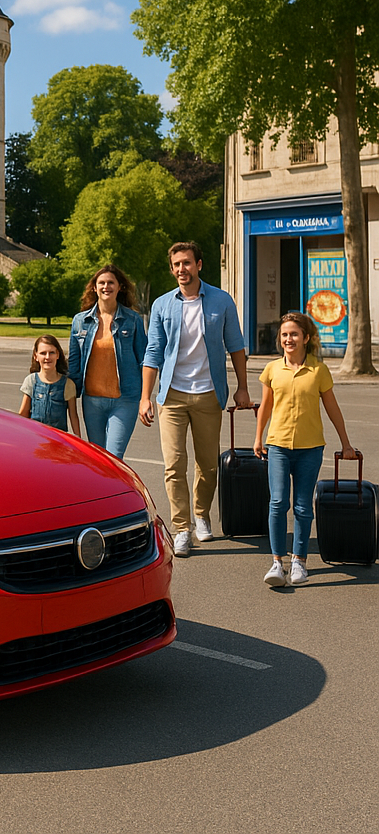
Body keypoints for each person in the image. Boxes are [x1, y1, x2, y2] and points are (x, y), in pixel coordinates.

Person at [139, 241, 250, 557]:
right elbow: (153, 352)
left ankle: (202, 514)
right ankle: (182, 527)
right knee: (174, 464)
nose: (180, 270)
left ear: (199, 265)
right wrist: (146, 397)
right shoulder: (163, 305)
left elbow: (236, 347)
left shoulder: (221, 301)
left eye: (186, 263)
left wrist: (242, 387)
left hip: (208, 394)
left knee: (207, 464)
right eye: (176, 264)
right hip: (171, 396)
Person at [252, 312, 355, 587]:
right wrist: (258, 437)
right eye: (284, 334)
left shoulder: (319, 370)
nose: (289, 339)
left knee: (301, 506)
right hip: (278, 445)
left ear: (306, 338)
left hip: (310, 448)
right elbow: (266, 407)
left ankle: (299, 561)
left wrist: (345, 442)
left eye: (294, 334)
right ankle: (277, 562)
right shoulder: (272, 369)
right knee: (277, 503)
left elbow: (332, 408)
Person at [68, 264, 148, 458]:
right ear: (94, 288)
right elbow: (74, 361)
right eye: (101, 283)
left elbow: (144, 360)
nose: (106, 286)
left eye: (111, 282)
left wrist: (145, 397)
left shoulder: (132, 320)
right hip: (92, 401)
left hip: (125, 400)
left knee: (114, 458)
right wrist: (70, 393)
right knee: (97, 458)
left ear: (120, 287)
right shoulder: (80, 321)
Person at [19, 335, 81, 435]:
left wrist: (78, 439)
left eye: (51, 353)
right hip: (34, 436)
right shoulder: (31, 381)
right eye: (43, 353)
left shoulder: (68, 384)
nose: (47, 357)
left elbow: (73, 416)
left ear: (58, 355)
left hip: (58, 438)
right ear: (36, 356)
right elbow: (23, 414)